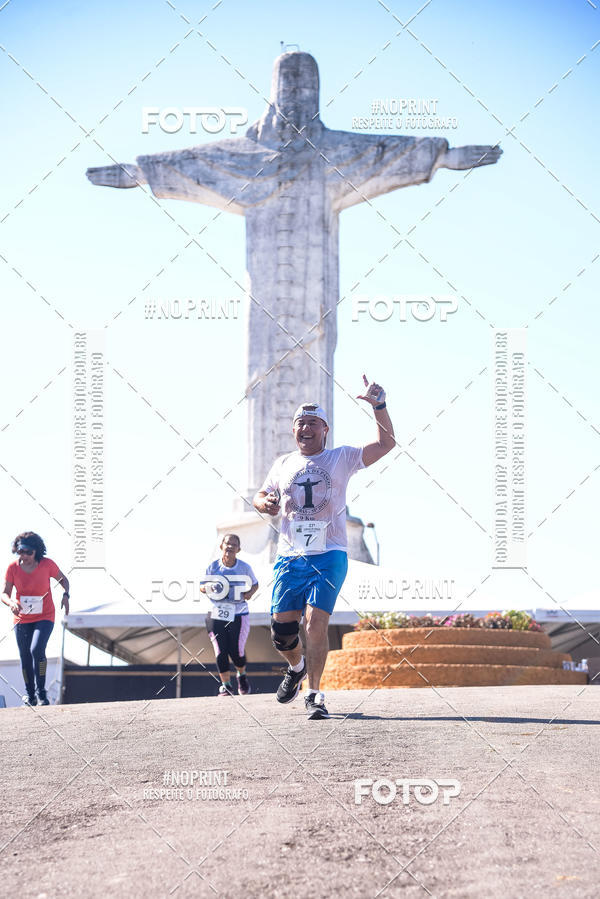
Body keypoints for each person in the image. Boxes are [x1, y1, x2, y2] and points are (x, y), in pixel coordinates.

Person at [253, 375, 395, 720]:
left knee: (316, 622)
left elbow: (386, 444)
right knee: (282, 633)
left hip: (329, 554)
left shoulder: (341, 458)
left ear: (325, 430)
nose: (305, 429)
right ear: (293, 430)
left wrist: (379, 406)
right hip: (289, 555)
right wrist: (264, 504)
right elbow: (260, 495)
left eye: (312, 424)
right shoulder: (283, 464)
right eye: (300, 424)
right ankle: (296, 667)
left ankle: (314, 695)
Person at [1, 532, 70, 706]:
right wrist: (10, 604)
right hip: (22, 618)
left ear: (36, 551)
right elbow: (4, 593)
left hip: (45, 616)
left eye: (28, 552)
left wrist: (66, 595)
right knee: (24, 656)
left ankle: (41, 692)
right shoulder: (13, 568)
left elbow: (64, 580)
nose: (24, 555)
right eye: (20, 551)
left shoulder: (47, 565)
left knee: (37, 649)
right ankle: (30, 694)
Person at [200, 534, 258, 697]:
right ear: (221, 546)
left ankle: (242, 676)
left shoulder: (244, 567)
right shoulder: (213, 567)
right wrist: (210, 587)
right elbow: (202, 587)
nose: (230, 547)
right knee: (220, 650)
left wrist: (248, 594)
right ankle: (226, 685)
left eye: (234, 544)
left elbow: (255, 584)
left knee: (236, 651)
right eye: (227, 543)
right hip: (216, 613)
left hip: (239, 614)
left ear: (238, 549)